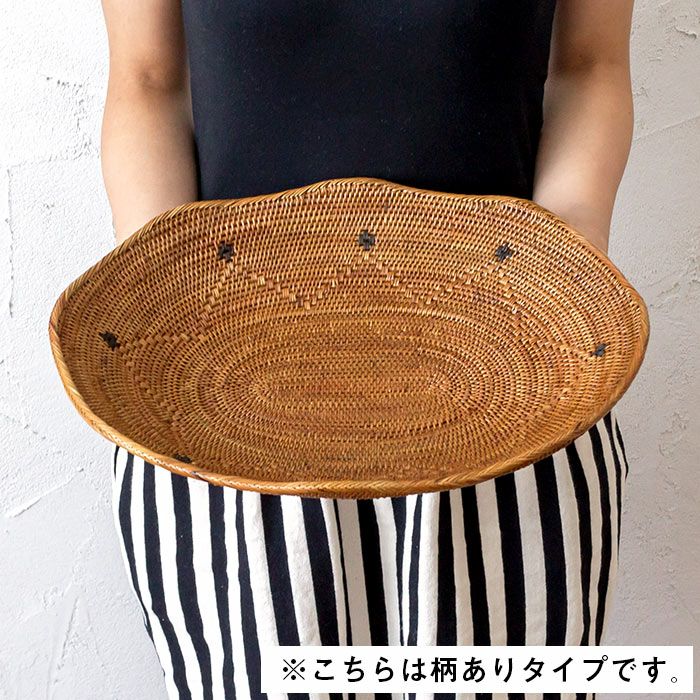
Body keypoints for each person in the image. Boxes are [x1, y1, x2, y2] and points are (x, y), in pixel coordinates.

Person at [100, 1, 635, 698]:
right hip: (219, 421)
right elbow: (146, 80)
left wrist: (562, 274)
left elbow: (590, 64)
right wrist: (162, 306)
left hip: (520, 396)